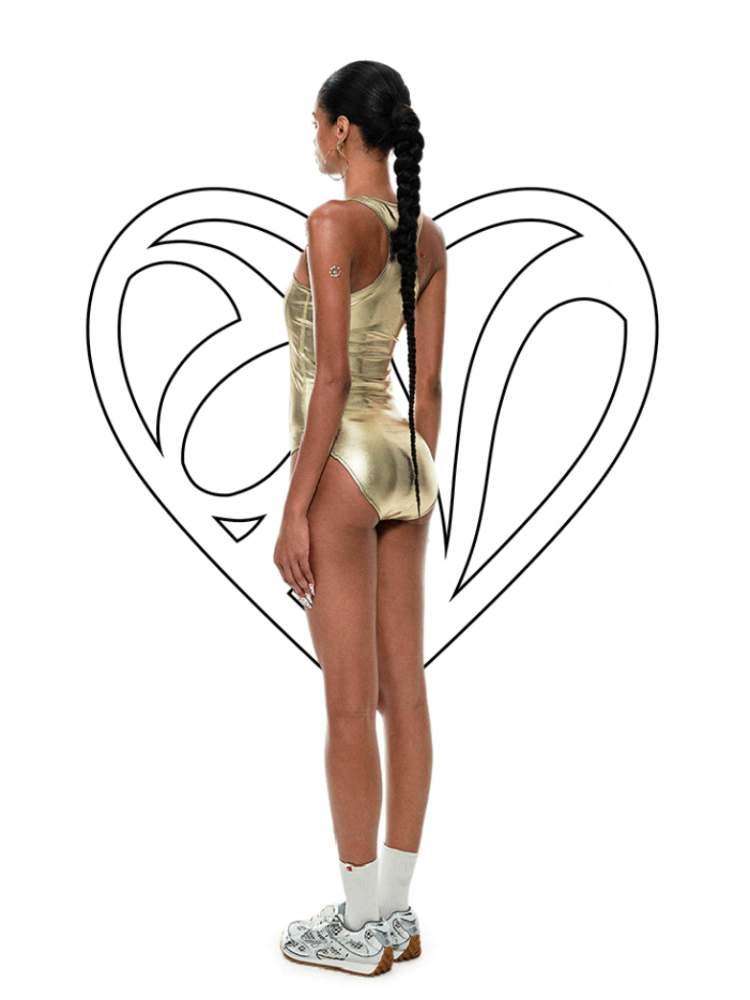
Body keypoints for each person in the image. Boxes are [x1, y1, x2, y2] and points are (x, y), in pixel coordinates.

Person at [274, 60, 446, 976]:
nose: (313, 137)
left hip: (341, 461)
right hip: (405, 460)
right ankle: (396, 915)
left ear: (343, 130)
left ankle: (354, 927)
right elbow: (431, 388)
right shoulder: (426, 234)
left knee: (348, 702)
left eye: (317, 122)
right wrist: (411, 474)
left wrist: (296, 508)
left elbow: (332, 379)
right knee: (403, 691)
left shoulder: (331, 223)